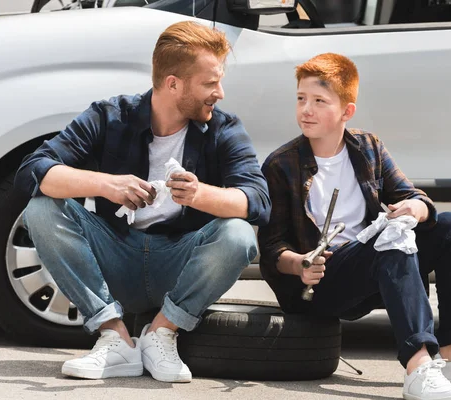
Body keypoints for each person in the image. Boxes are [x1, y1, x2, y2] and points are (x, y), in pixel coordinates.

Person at [15, 21, 270, 383]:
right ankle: (113, 335)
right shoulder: (109, 115)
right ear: (172, 84)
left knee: (239, 235)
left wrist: (201, 194)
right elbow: (32, 170)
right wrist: (106, 185)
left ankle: (162, 332)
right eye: (210, 83)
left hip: (179, 263)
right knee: (40, 208)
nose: (220, 93)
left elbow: (258, 200)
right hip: (114, 257)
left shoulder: (224, 129)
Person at [257, 52, 451, 400]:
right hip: (319, 282)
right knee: (390, 244)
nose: (306, 109)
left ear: (346, 111)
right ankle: (418, 369)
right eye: (301, 99)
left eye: (320, 101)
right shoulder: (281, 164)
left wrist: (413, 207)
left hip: (371, 266)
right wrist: (300, 263)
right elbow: (272, 248)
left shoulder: (367, 147)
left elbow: (416, 197)